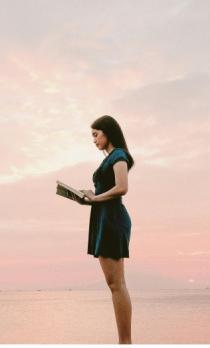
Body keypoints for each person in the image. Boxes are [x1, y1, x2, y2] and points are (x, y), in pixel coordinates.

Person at [82, 115, 135, 344]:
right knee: (114, 284)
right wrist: (91, 197)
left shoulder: (119, 155)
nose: (93, 140)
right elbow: (108, 190)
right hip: (105, 219)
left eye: (96, 135)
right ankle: (124, 341)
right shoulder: (110, 158)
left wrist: (96, 199)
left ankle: (125, 342)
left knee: (117, 284)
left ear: (107, 132)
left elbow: (122, 187)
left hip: (112, 220)